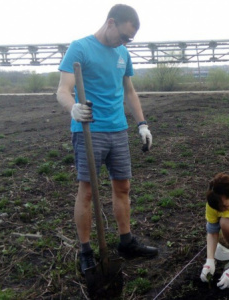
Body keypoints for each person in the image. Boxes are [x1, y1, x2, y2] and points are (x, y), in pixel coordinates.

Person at [56, 4, 158, 275]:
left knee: (122, 187)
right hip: (89, 130)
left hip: (118, 130)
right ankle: (86, 251)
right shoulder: (80, 48)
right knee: (87, 191)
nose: (124, 42)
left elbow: (130, 91)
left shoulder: (123, 53)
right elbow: (63, 90)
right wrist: (73, 109)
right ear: (110, 23)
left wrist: (142, 124)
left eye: (129, 39)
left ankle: (126, 241)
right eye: (123, 36)